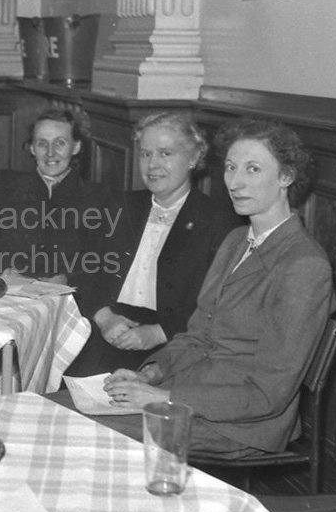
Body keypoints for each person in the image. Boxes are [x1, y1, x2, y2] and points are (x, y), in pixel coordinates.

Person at [103, 118, 335, 457]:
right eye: (230, 167)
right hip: (189, 390)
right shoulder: (236, 240)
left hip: (240, 426)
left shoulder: (303, 265)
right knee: (61, 410)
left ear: (286, 177)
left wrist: (162, 397)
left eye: (253, 169)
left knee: (83, 429)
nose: (236, 182)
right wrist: (152, 374)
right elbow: (198, 335)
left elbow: (267, 396)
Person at [68, 112, 241, 376]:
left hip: (175, 343)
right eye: (146, 154)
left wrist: (159, 332)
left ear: (194, 158)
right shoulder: (119, 205)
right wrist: (105, 318)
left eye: (165, 154)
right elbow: (83, 270)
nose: (152, 165)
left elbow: (218, 303)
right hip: (107, 330)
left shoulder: (218, 221)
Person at [0, 107, 119, 292]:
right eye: (42, 144)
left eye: (60, 143)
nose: (50, 153)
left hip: (69, 298)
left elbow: (102, 258)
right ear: (32, 148)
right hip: (8, 292)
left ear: (76, 147)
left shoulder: (97, 197)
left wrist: (68, 278)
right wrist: (3, 272)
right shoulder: (4, 187)